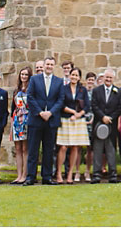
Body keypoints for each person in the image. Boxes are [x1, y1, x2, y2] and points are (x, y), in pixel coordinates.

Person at [24, 56, 66, 186]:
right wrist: (40, 112)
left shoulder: (59, 81)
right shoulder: (34, 79)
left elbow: (60, 99)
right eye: (47, 64)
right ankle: (30, 177)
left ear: (54, 66)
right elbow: (30, 97)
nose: (49, 66)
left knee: (49, 150)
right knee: (33, 150)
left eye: (51, 65)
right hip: (36, 119)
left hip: (51, 120)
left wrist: (50, 112)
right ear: (44, 65)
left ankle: (46, 177)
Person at [55, 67, 90, 184]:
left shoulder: (83, 90)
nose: (74, 77)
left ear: (79, 77)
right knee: (63, 147)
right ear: (69, 76)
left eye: (76, 75)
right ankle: (59, 173)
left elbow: (87, 106)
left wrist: (79, 114)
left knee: (75, 147)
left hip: (78, 121)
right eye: (72, 75)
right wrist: (73, 112)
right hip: (65, 119)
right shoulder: (63, 88)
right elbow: (61, 103)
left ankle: (70, 174)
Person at [90, 68, 121, 184]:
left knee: (111, 150)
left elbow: (120, 107)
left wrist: (110, 118)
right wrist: (102, 117)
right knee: (98, 150)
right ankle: (96, 175)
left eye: (110, 77)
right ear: (103, 78)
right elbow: (94, 105)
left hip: (111, 125)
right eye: (106, 77)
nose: (108, 79)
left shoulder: (118, 92)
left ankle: (113, 175)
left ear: (113, 78)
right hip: (98, 124)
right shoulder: (96, 91)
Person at [10, 67, 31, 184]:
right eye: (22, 74)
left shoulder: (31, 89)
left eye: (26, 75)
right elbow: (13, 106)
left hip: (27, 120)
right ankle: (18, 175)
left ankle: (24, 174)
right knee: (18, 148)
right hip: (17, 120)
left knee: (25, 148)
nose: (23, 76)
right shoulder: (16, 90)